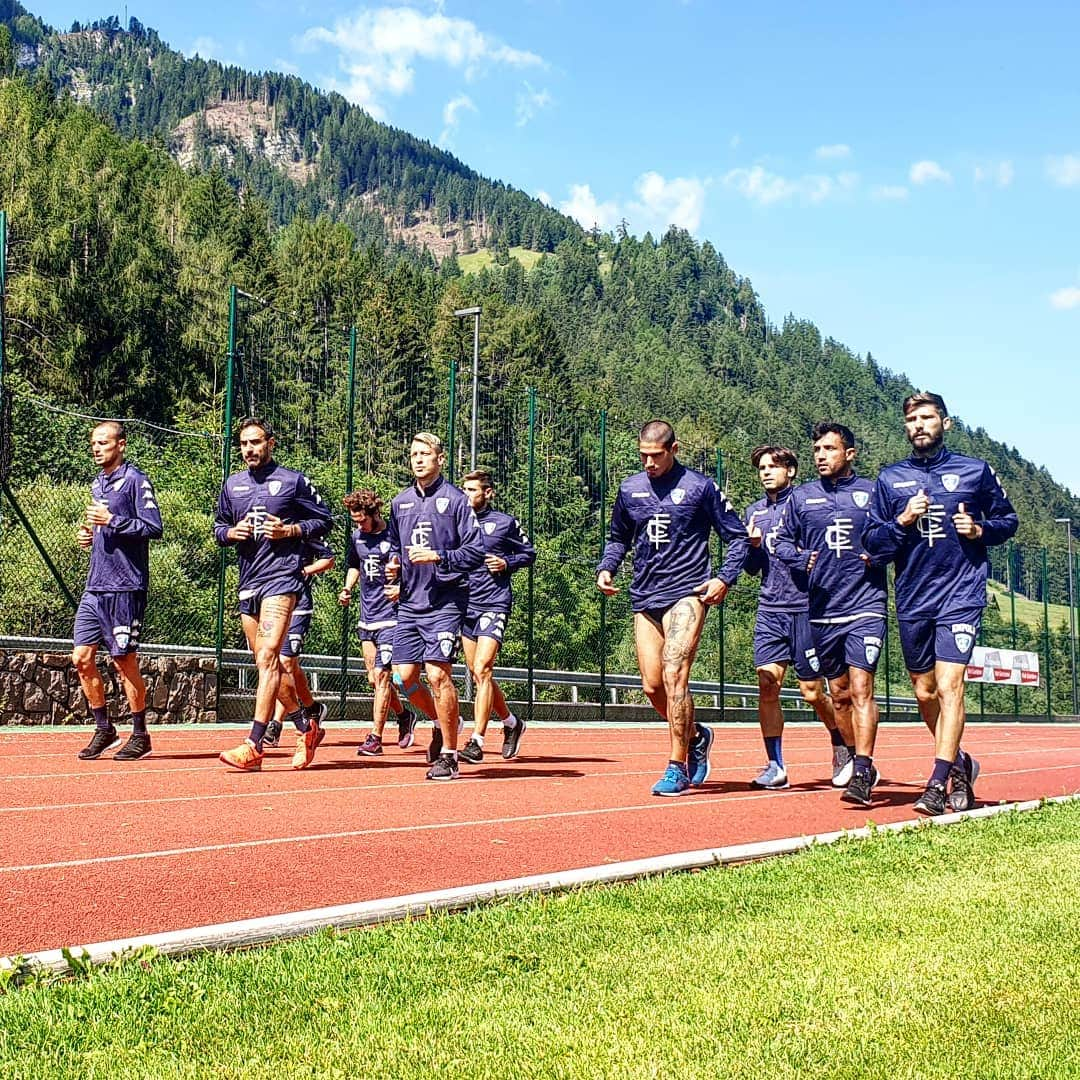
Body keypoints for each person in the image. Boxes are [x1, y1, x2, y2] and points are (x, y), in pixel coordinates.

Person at [863, 392, 1018, 815]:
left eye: (927, 418)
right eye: (912, 419)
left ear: (945, 423)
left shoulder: (974, 471)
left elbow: (1008, 521)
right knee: (925, 691)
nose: (919, 425)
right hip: (913, 597)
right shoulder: (889, 480)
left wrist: (979, 529)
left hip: (961, 594)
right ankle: (960, 764)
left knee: (950, 685)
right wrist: (902, 521)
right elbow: (872, 543)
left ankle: (936, 780)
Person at [596, 420, 747, 797]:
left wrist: (723, 578)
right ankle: (696, 734)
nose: (649, 463)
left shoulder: (700, 487)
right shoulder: (630, 489)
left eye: (656, 456)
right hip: (645, 595)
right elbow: (618, 536)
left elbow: (737, 537)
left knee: (674, 673)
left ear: (673, 450)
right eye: (643, 456)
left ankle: (677, 765)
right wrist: (607, 567)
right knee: (651, 685)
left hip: (688, 591)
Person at [773, 422, 888, 807]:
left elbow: (896, 537)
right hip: (822, 610)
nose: (821, 456)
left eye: (829, 449)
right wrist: (804, 559)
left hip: (866, 606)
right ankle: (856, 755)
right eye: (817, 449)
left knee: (860, 688)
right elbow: (781, 542)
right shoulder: (801, 498)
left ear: (849, 454)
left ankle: (863, 770)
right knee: (837, 696)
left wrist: (882, 554)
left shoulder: (873, 493)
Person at [214, 417, 333, 772]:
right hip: (248, 580)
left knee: (268, 656)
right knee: (267, 663)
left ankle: (254, 745)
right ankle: (305, 726)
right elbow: (218, 526)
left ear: (271, 443)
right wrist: (230, 533)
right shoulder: (232, 485)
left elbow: (325, 520)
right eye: (244, 444)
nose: (249, 449)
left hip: (282, 579)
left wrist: (290, 530)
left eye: (256, 442)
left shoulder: (293, 481)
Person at [741, 445, 854, 789]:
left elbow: (822, 553)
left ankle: (841, 743)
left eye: (772, 466)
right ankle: (775, 765)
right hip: (770, 608)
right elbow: (751, 569)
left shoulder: (806, 504)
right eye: (761, 467)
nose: (765, 472)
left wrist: (803, 557)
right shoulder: (754, 512)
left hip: (806, 607)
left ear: (790, 470)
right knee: (767, 683)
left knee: (810, 691)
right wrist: (753, 548)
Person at [387, 433, 485, 781]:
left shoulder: (457, 501)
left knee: (437, 674)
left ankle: (449, 754)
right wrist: (394, 568)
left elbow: (475, 552)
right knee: (405, 677)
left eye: (424, 454)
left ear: (440, 459)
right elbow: (394, 547)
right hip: (410, 604)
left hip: (445, 601)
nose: (417, 460)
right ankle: (447, 721)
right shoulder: (399, 503)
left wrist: (439, 557)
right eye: (413, 454)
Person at [72, 421, 163, 761]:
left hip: (125, 586)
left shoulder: (136, 480)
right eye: (93, 443)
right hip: (95, 586)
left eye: (103, 443)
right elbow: (99, 527)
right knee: (81, 659)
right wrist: (89, 536)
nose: (97, 448)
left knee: (124, 660)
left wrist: (113, 521)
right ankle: (104, 728)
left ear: (121, 445)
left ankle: (140, 734)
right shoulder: (98, 483)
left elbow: (153, 527)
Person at [458, 470, 536, 763]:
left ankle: (476, 741)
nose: (466, 495)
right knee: (480, 677)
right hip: (466, 607)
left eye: (472, 490)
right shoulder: (457, 524)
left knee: (483, 668)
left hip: (494, 603)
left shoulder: (505, 523)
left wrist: (507, 562)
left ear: (487, 493)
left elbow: (529, 553)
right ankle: (512, 723)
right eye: (464, 489)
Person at [339, 489, 423, 756]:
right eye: (355, 521)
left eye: (362, 520)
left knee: (383, 676)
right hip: (368, 618)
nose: (359, 525)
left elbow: (414, 567)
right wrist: (348, 588)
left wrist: (400, 583)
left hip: (392, 617)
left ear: (375, 513)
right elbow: (354, 564)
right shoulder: (356, 537)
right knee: (374, 681)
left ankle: (374, 737)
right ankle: (404, 716)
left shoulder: (394, 536)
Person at [262, 539, 335, 749]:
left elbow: (328, 559)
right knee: (288, 666)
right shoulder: (268, 529)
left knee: (284, 663)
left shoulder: (304, 530)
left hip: (299, 606)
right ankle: (313, 708)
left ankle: (275, 725)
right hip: (272, 602)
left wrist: (304, 571)